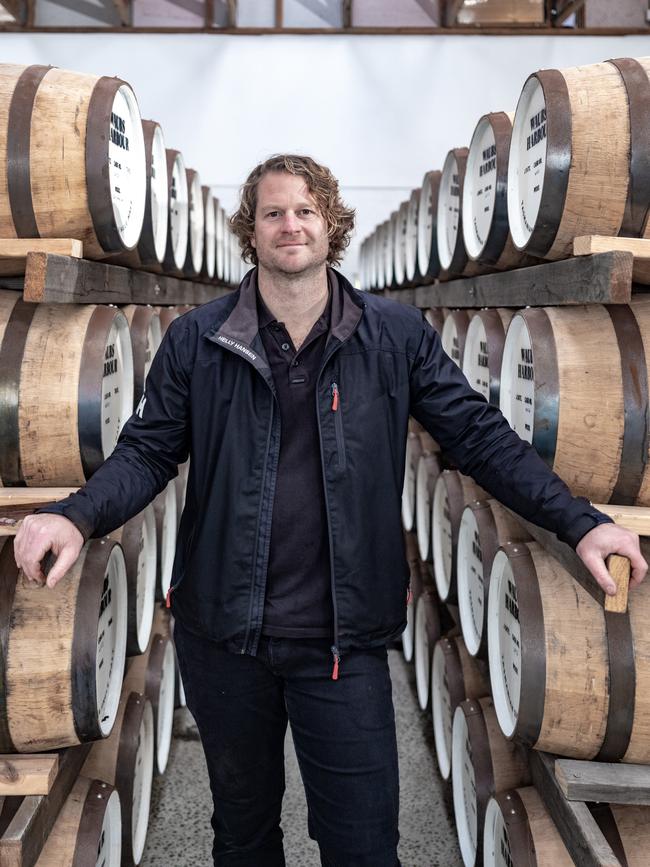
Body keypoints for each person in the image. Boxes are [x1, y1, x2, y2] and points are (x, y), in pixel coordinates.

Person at [14, 154, 647, 867]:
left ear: (332, 225)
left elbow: (480, 438)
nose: (291, 225)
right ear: (249, 231)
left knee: (364, 842)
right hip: (225, 634)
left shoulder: (393, 337)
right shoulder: (199, 338)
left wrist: (581, 521)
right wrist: (76, 514)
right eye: (273, 212)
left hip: (344, 641)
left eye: (306, 211)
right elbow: (147, 452)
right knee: (243, 834)